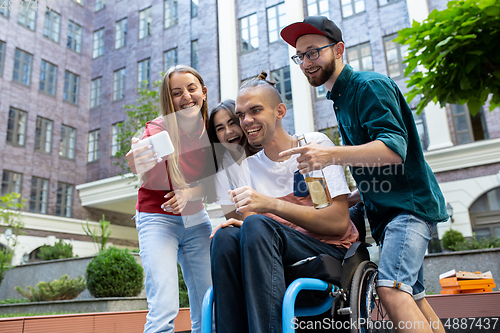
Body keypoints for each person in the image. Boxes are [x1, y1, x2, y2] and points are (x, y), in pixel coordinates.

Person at [279, 16, 448, 333]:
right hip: (388, 211)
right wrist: (350, 196)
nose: (305, 62)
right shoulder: (340, 99)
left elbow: (393, 150)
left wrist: (329, 155)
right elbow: (375, 165)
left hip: (407, 209)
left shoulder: (369, 86)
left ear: (338, 49)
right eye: (299, 56)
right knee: (415, 298)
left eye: (313, 52)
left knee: (391, 290)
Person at [210, 72, 359, 333]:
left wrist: (269, 205)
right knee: (225, 238)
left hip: (327, 250)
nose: (246, 121)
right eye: (241, 114)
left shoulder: (312, 146)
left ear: (280, 111)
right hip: (273, 256)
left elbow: (337, 222)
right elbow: (257, 233)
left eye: (255, 110)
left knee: (257, 224)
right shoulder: (246, 168)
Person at [126, 65, 216, 333]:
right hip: (157, 220)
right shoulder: (157, 129)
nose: (186, 96)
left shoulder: (212, 130)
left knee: (208, 304)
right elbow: (140, 157)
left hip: (196, 220)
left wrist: (189, 193)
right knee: (164, 307)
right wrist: (136, 158)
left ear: (203, 91)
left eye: (191, 89)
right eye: (176, 93)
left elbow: (215, 184)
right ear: (169, 99)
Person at [207, 100, 260, 222]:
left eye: (232, 123)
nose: (228, 131)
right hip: (250, 227)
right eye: (220, 128)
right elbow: (232, 217)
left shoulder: (265, 152)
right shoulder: (222, 168)